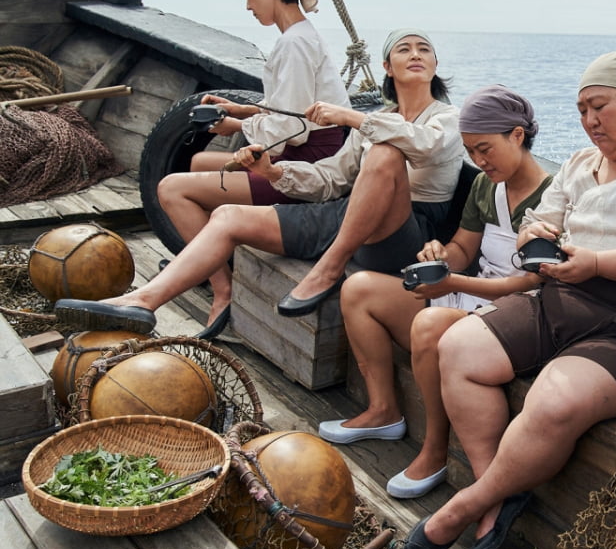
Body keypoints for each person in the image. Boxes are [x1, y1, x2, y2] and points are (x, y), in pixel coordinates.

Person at [402, 51, 616, 549]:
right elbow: (546, 217)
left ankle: (468, 503)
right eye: (581, 110)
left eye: (600, 106)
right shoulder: (581, 163)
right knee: (459, 347)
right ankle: (497, 493)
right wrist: (538, 233)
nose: (590, 121)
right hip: (561, 297)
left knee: (554, 398)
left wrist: (596, 261)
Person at [54, 29, 462, 337]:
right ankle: (143, 301)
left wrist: (354, 117)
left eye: (424, 49)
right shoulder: (376, 121)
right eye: (404, 49)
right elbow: (329, 179)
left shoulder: (447, 118)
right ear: (387, 68)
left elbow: (425, 147)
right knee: (229, 216)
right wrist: (272, 171)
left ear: (436, 65)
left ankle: (329, 266)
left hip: (405, 235)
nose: (415, 55)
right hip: (349, 217)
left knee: (386, 152)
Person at [318, 85, 553, 501]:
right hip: (471, 293)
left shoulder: (554, 197)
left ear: (518, 135)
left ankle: (435, 448)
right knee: (358, 290)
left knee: (428, 325)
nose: (479, 161)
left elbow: (533, 283)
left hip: (514, 314)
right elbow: (464, 249)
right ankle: (383, 411)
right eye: (471, 152)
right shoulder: (486, 186)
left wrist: (452, 283)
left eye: (486, 149)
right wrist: (441, 254)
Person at [157, 0, 349, 261]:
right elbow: (294, 106)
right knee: (199, 164)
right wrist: (242, 109)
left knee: (171, 188)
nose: (248, 5)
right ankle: (214, 256)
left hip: (308, 163)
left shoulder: (294, 45)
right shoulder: (300, 35)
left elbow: (292, 129)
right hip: (313, 149)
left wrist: (237, 125)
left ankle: (219, 285)